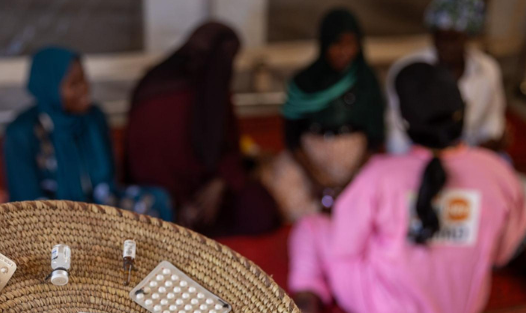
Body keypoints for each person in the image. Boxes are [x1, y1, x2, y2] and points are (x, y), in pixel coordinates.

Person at [288, 62, 526, 313]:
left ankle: (308, 295)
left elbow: (345, 248)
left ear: (403, 122)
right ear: (463, 112)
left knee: (311, 226)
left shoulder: (378, 177)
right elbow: (502, 253)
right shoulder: (498, 172)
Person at [124, 22, 280, 237]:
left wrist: (220, 182)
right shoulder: (154, 91)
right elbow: (143, 161)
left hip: (207, 192)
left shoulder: (214, 87)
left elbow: (229, 146)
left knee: (258, 207)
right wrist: (179, 204)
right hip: (162, 197)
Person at [4, 47, 172, 220]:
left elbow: (108, 181)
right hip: (47, 214)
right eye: (74, 84)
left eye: (84, 79)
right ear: (50, 87)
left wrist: (96, 212)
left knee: (156, 200)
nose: (85, 89)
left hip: (99, 204)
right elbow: (26, 199)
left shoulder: (94, 118)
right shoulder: (21, 132)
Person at [260, 8, 385, 222]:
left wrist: (351, 181)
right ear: (325, 43)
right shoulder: (303, 82)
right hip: (310, 159)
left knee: (380, 193)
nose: (344, 51)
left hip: (356, 160)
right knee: (280, 185)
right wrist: (316, 178)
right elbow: (292, 137)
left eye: (350, 44)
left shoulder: (366, 81)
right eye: (337, 44)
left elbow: (375, 140)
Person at [386, 0, 506, 154]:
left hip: (471, 154)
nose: (446, 46)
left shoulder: (487, 69)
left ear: (467, 36)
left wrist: (483, 148)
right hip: (419, 156)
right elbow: (396, 132)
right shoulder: (408, 72)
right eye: (440, 37)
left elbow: (492, 121)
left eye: (454, 38)